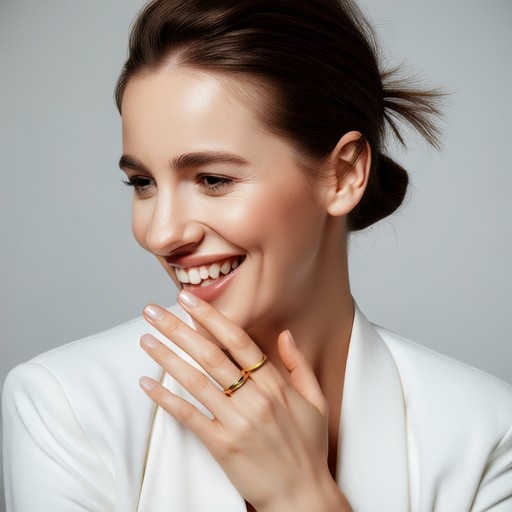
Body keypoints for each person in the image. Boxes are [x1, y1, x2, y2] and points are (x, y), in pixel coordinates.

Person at [2, 0, 512, 510]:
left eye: (213, 180)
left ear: (343, 174)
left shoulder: (485, 432)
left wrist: (301, 496)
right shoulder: (66, 406)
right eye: (142, 183)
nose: (161, 233)